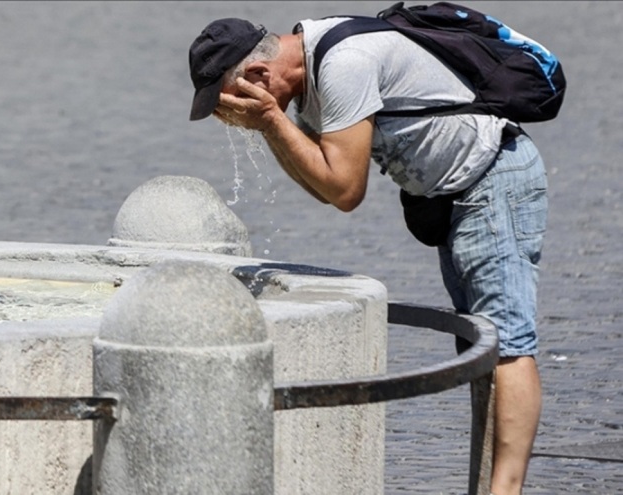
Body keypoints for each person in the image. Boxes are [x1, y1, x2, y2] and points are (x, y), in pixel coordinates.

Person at [188, 15, 548, 495]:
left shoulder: (342, 66)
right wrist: (276, 126)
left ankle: (505, 491)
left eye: (226, 101)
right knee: (482, 345)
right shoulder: (312, 78)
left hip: (492, 180)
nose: (228, 116)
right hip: (459, 194)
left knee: (506, 345)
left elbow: (345, 189)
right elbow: (323, 184)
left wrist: (272, 121)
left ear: (257, 77)